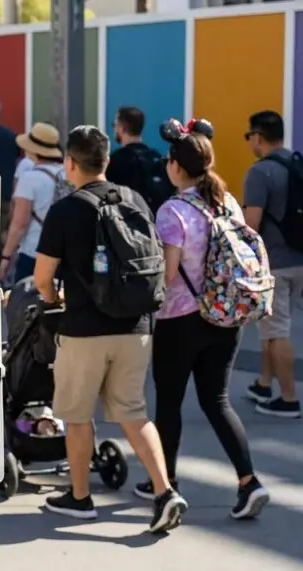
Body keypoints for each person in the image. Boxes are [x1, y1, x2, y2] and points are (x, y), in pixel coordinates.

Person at [33, 125, 187, 532]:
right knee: (134, 413)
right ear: (106, 161)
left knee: (79, 415)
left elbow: (42, 276)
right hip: (136, 325)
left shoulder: (66, 209)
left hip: (85, 329)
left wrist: (51, 300)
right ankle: (164, 490)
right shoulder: (134, 199)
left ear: (70, 162)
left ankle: (80, 498)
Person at [140, 124, 270, 519]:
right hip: (226, 315)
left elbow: (168, 272)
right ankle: (249, 481)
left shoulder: (173, 211)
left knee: (169, 402)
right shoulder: (226, 201)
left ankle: (166, 485)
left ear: (177, 166)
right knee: (217, 400)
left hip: (180, 319)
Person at [242, 110, 303, 418]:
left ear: (258, 136)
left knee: (278, 331)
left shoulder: (261, 172)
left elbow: (251, 223)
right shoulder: (296, 163)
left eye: (248, 136)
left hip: (274, 262)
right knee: (272, 325)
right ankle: (264, 383)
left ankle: (290, 399)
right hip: (298, 258)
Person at [1, 122, 66, 282]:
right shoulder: (67, 174)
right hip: (65, 253)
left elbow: (19, 224)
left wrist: (6, 257)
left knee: (28, 302)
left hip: (34, 253)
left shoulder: (29, 178)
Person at [106, 106, 173, 214]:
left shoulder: (116, 160)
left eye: (115, 125)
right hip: (156, 224)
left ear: (122, 128)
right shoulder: (156, 158)